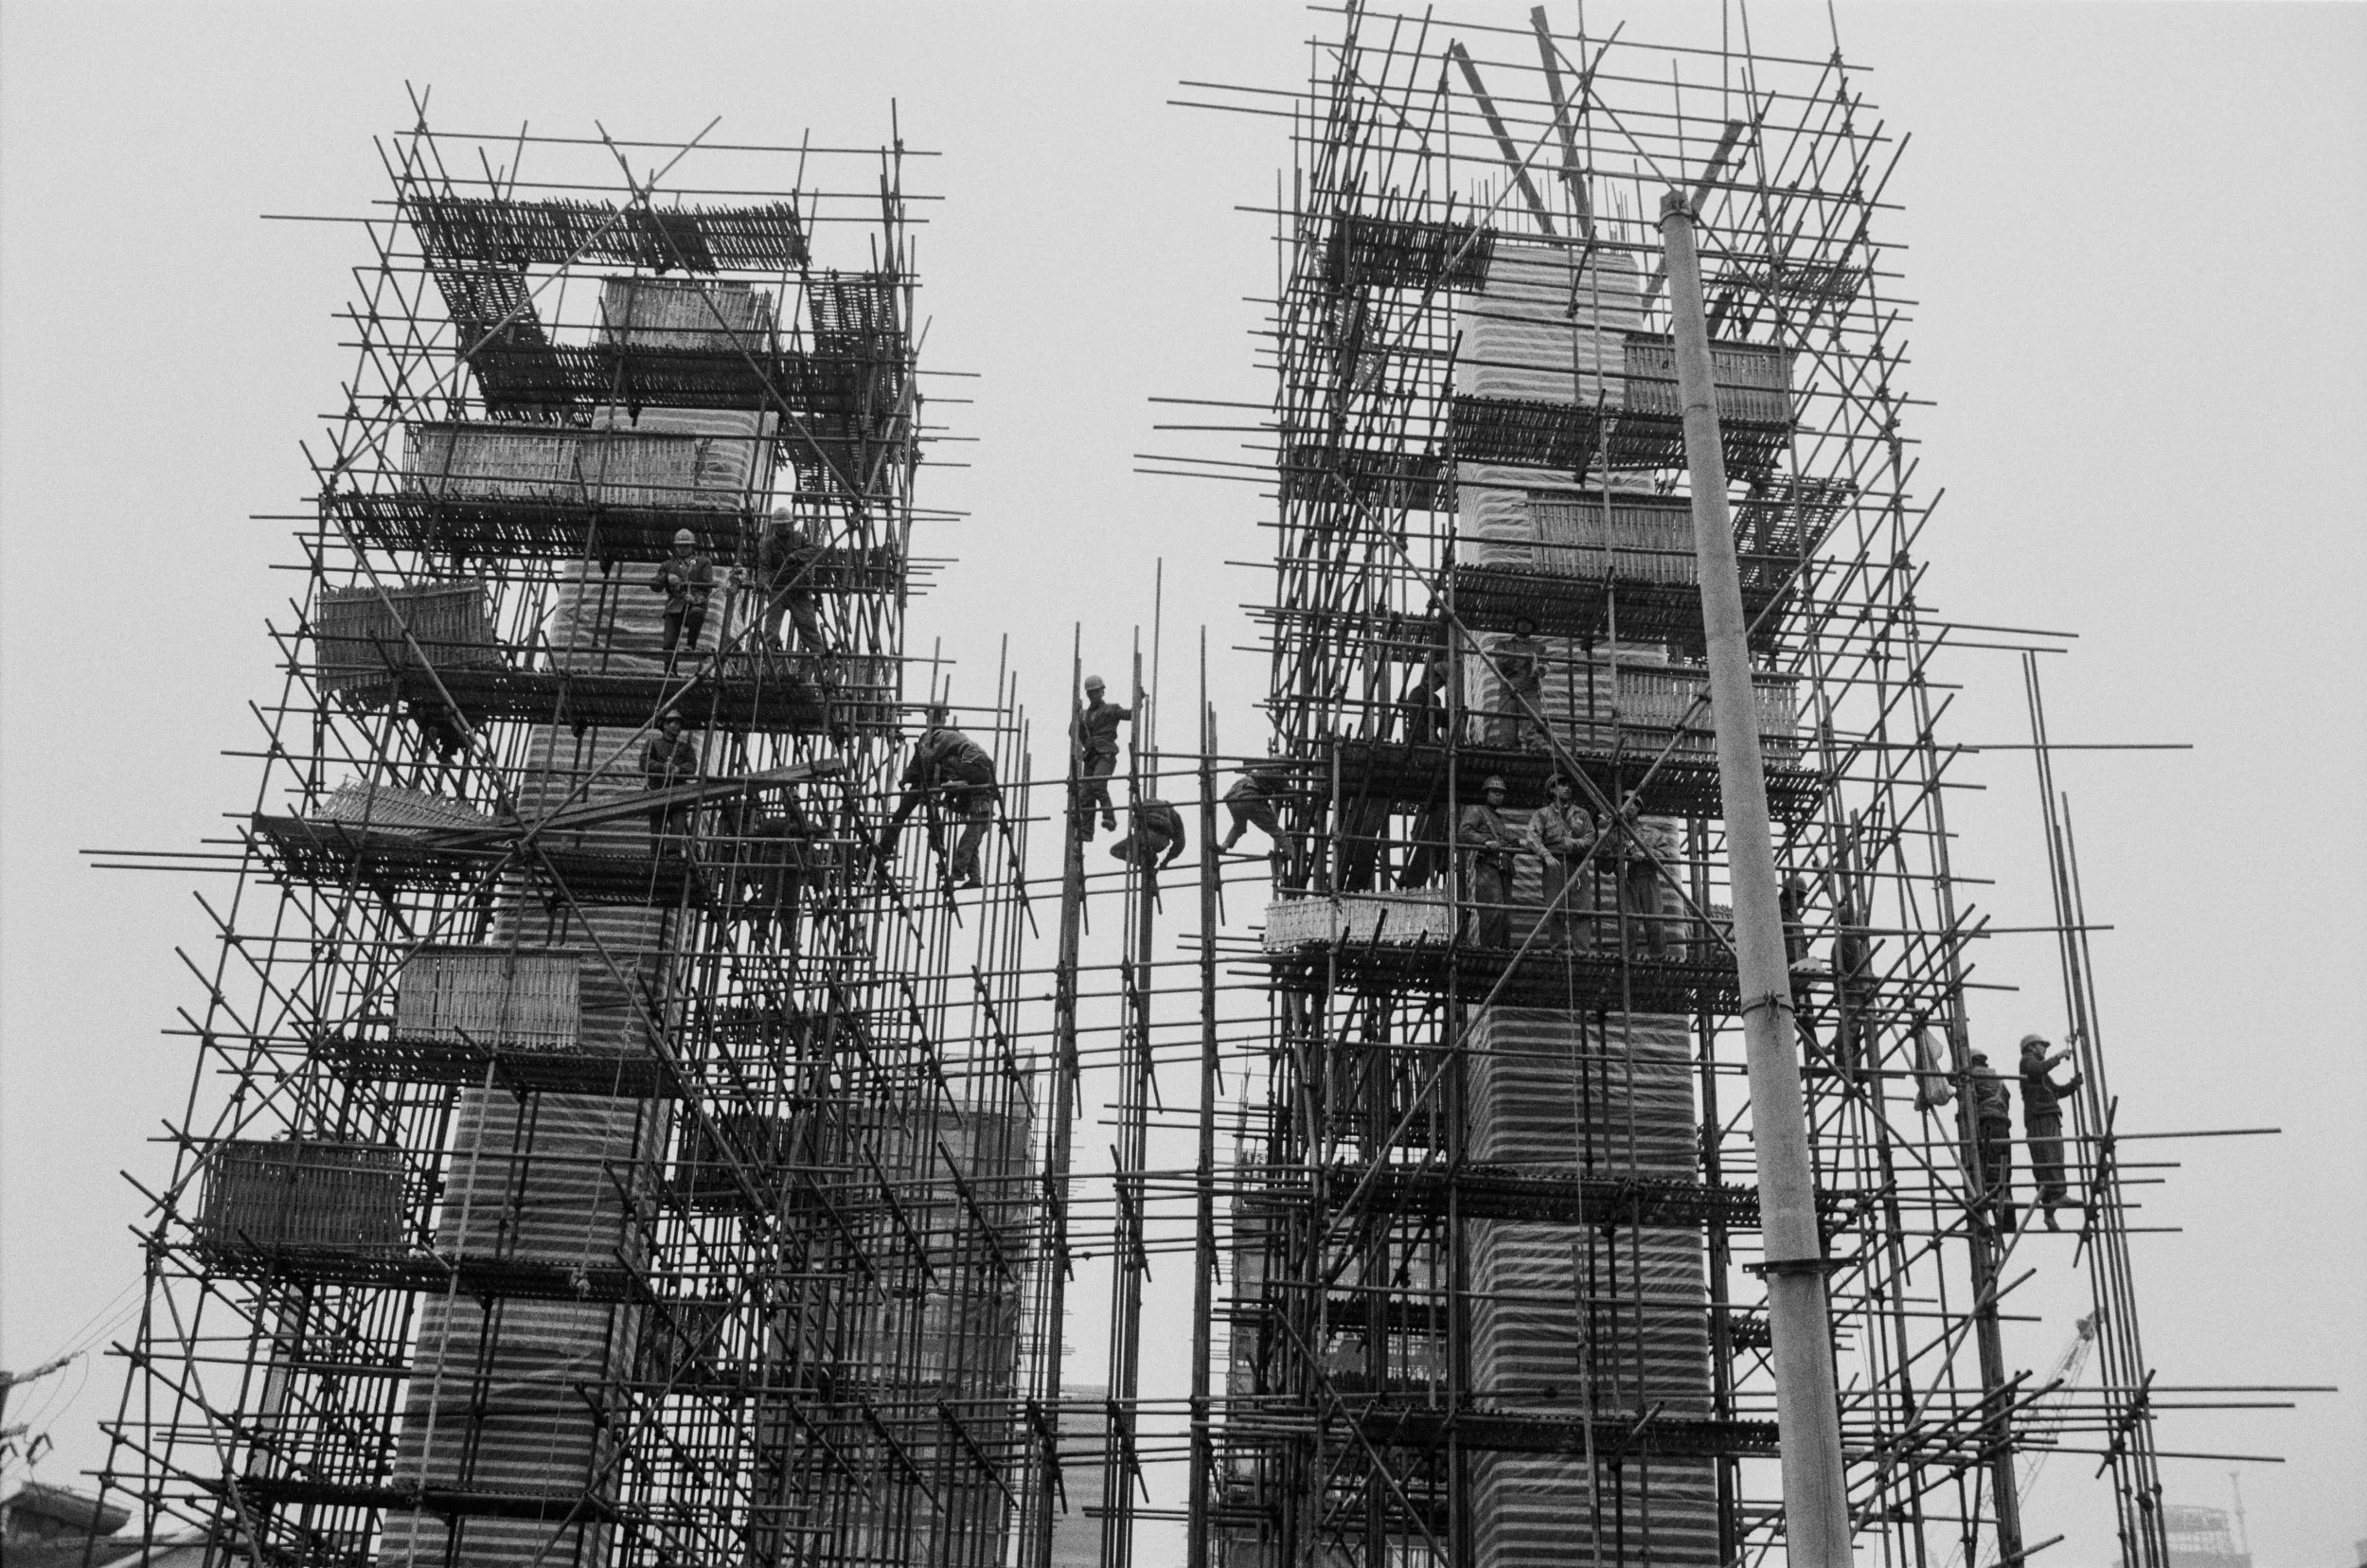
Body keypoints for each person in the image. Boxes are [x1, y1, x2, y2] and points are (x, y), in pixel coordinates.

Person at [883, 703, 999, 887]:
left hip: (970, 770)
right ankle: (954, 858)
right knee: (968, 837)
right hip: (978, 774)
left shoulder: (939, 737)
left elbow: (925, 758)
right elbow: (923, 761)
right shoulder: (953, 740)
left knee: (964, 840)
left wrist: (909, 779)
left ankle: (947, 860)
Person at [1524, 773, 1596, 953]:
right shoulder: (1542, 814)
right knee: (1556, 911)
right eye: (1562, 785)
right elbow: (1532, 837)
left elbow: (1591, 839)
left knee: (1582, 911)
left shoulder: (1581, 814)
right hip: (1555, 866)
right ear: (1552, 790)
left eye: (1568, 785)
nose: (1567, 788)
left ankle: (1582, 953)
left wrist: (1574, 843)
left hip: (1577, 866)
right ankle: (1557, 953)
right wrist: (1546, 855)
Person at [2020, 1034, 2085, 1230]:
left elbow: (2056, 1092)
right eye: (2042, 1046)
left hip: (2045, 1114)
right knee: (2049, 1156)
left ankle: (2050, 1209)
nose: (2044, 1049)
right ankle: (2058, 1195)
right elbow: (2037, 1070)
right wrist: (2059, 1056)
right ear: (2032, 1047)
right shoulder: (2027, 1061)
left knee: (2048, 1158)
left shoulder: (2042, 1076)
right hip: (2041, 1116)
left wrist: (2073, 1085)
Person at [1456, 775, 1522, 949]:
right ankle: (1490, 949)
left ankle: (1503, 949)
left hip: (1503, 867)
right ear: (1486, 793)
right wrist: (1484, 842)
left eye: (1501, 793)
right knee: (1494, 909)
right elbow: (1464, 832)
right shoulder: (1476, 811)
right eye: (1494, 792)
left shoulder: (1498, 819)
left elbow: (1509, 839)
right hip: (1488, 865)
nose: (1498, 796)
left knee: (1506, 914)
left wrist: (1515, 843)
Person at [756, 508, 828, 656]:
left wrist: (797, 555)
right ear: (775, 526)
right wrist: (763, 583)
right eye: (780, 525)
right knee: (771, 628)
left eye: (785, 525)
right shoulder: (769, 543)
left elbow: (816, 550)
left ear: (790, 524)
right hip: (778, 588)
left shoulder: (799, 538)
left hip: (798, 589)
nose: (783, 528)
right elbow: (764, 567)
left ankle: (821, 657)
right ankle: (765, 658)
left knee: (808, 625)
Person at [1072, 675, 1134, 839]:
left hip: (1105, 754)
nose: (1094, 695)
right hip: (1090, 756)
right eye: (1091, 693)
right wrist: (1076, 715)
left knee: (1098, 784)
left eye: (1097, 692)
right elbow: (1073, 732)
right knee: (1086, 794)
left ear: (1102, 692)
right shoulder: (1084, 715)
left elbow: (1130, 715)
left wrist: (1138, 701)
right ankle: (1087, 831)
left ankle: (1109, 817)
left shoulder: (1111, 709)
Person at [1611, 802, 1673, 958]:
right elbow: (1605, 860)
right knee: (1628, 925)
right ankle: (1628, 962)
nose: (1626, 807)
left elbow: (1665, 855)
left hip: (1648, 880)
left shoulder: (1653, 833)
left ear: (1638, 808)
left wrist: (1646, 853)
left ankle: (1658, 963)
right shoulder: (1615, 834)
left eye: (1630, 804)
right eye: (1623, 804)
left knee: (1655, 923)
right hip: (1627, 881)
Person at [650, 528, 717, 664]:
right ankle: (670, 670)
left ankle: (691, 645)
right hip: (674, 606)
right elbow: (655, 586)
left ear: (692, 546)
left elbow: (707, 587)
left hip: (693, 605)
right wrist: (667, 577)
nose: (682, 549)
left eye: (686, 546)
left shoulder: (703, 563)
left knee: (697, 613)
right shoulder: (668, 565)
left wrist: (695, 598)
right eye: (679, 546)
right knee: (669, 643)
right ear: (675, 547)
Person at [1831, 888, 1877, 1084]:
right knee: (1850, 1028)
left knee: (1852, 1029)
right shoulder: (1848, 941)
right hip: (1852, 991)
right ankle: (1846, 1064)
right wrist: (1869, 980)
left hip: (1850, 990)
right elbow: (1858, 967)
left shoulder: (1843, 940)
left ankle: (1852, 1065)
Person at [1968, 1050, 2016, 1234]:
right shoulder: (1997, 1078)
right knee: (2004, 1174)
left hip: (1989, 1124)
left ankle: (2001, 1222)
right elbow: (2007, 1098)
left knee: (1992, 1173)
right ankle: (2008, 1223)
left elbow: (1958, 1084)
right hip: (2003, 1125)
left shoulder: (1975, 1074)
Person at [642, 712, 701, 850]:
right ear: (665, 725)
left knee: (677, 829)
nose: (678, 727)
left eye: (680, 724)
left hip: (678, 793)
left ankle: (673, 856)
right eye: (675, 723)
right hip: (657, 791)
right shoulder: (653, 743)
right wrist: (662, 767)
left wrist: (679, 769)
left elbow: (692, 766)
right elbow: (644, 763)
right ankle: (655, 857)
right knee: (657, 831)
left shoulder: (686, 747)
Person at [1482, 633, 1545, 750]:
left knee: (1532, 726)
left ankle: (1536, 753)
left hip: (1530, 689)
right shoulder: (1502, 645)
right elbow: (1501, 661)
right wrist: (1522, 658)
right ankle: (1510, 752)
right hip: (1508, 689)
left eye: (1528, 623)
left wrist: (1540, 669)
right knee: (1507, 729)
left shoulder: (1538, 647)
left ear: (1532, 627)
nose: (1524, 625)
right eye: (1522, 623)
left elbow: (1544, 666)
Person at [1111, 798, 1188, 888]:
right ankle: (1150, 862)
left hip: (1144, 836)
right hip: (1159, 841)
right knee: (1145, 857)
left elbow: (1134, 822)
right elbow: (1180, 843)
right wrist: (1166, 861)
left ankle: (1149, 862)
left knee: (1116, 850)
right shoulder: (1172, 813)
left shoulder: (1144, 804)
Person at [1219, 763, 1287, 856]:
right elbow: (1287, 790)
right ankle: (1294, 854)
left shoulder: (1257, 773)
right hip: (1249, 797)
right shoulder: (1273, 773)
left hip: (1232, 799)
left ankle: (1224, 846)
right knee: (1275, 830)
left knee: (1239, 826)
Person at [1397, 650, 1450, 745]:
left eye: (1442, 684)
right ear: (1433, 677)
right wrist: (1432, 739)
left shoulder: (1436, 699)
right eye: (1440, 683)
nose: (1440, 687)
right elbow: (1415, 722)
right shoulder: (1418, 693)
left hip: (1431, 740)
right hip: (1418, 741)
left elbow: (1442, 719)